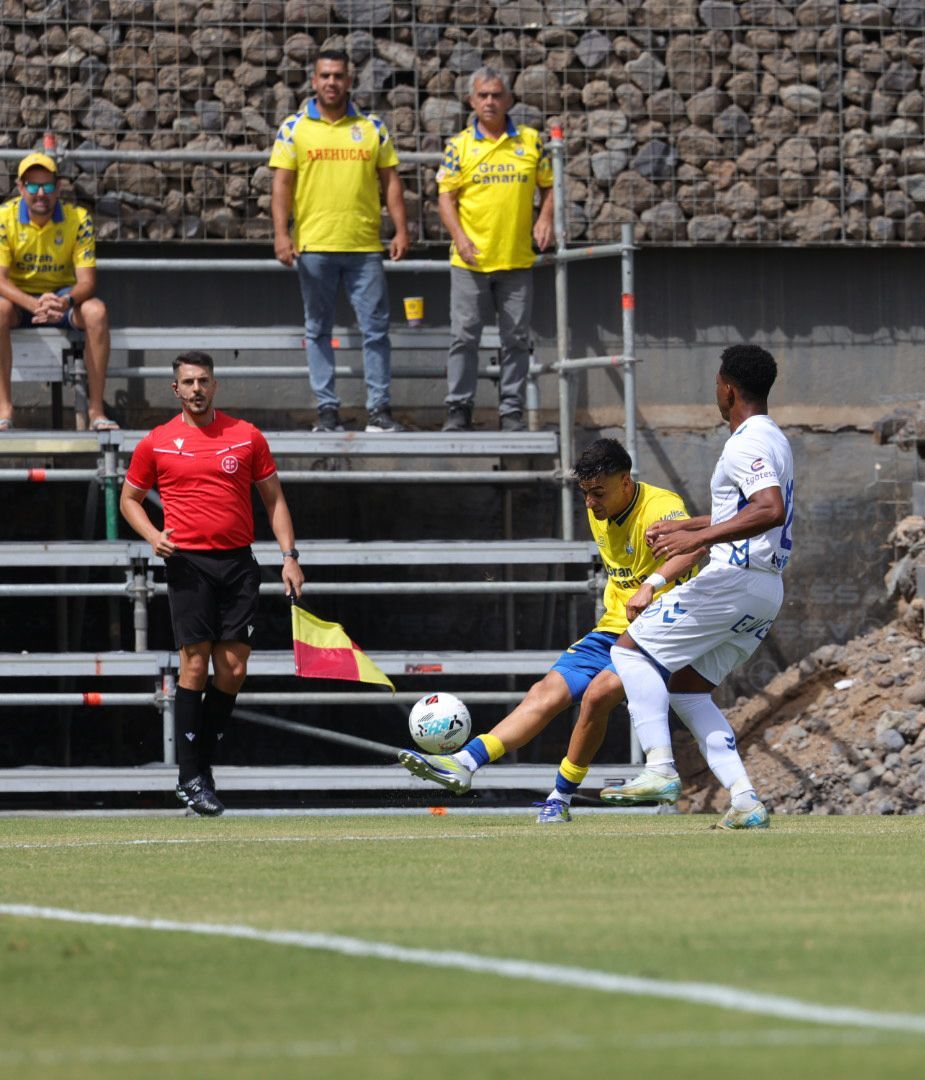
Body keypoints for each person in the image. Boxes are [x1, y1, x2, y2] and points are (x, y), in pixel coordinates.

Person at [396, 438, 700, 822]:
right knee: (545, 692)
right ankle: (464, 762)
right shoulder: (600, 510)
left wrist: (651, 584)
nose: (590, 503)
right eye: (585, 493)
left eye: (598, 493)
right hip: (610, 630)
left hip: (659, 630)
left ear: (626, 482)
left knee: (597, 696)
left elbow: (694, 548)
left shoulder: (661, 507)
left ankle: (560, 797)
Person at [598, 344, 794, 830]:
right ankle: (746, 800)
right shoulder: (775, 438)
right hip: (765, 590)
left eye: (716, 383)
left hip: (733, 579)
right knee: (688, 692)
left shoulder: (744, 442)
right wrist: (692, 528)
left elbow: (770, 509)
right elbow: (752, 511)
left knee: (628, 653)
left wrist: (701, 535)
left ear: (728, 388)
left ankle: (660, 768)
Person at [119, 352, 305, 815]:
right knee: (194, 667)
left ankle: (198, 766)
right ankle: (190, 776)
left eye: (204, 380)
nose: (197, 388)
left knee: (234, 670)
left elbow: (275, 500)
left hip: (239, 563)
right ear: (175, 389)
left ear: (215, 386)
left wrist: (289, 557)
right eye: (188, 381)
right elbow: (129, 499)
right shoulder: (157, 443)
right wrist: (153, 536)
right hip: (189, 564)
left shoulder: (245, 436)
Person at [270, 49, 409, 434]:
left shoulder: (371, 127)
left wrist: (400, 229)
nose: (332, 82)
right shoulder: (294, 128)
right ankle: (327, 411)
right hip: (314, 247)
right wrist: (282, 234)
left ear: (350, 81)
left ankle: (379, 411)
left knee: (376, 330)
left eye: (339, 76)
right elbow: (281, 183)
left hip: (365, 247)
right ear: (314, 81)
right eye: (325, 75)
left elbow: (391, 181)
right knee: (317, 330)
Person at [436, 67, 556, 433]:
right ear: (472, 101)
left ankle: (511, 411)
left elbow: (550, 186)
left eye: (496, 94)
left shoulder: (531, 141)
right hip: (470, 261)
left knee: (516, 339)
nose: (490, 101)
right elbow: (445, 197)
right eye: (483, 95)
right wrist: (458, 236)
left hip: (516, 259)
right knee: (463, 337)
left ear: (508, 99)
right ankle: (459, 409)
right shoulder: (459, 146)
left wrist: (545, 217)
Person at [0, 152, 116, 431]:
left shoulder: (79, 219)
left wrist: (65, 302)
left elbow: (87, 282)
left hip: (63, 299)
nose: (41, 193)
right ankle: (4, 409)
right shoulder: (4, 218)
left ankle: (96, 411)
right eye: (33, 186)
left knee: (97, 312)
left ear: (58, 187)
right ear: (20, 187)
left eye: (48, 186)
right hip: (21, 299)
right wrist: (32, 303)